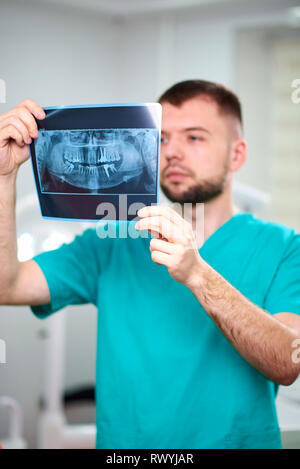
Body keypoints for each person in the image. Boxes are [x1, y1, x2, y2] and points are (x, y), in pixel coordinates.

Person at [0, 80, 300, 449]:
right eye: (161, 138)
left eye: (194, 138)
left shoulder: (285, 248)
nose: (172, 152)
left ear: (237, 155)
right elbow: (7, 286)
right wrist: (3, 179)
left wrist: (198, 275)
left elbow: (287, 362)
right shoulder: (112, 242)